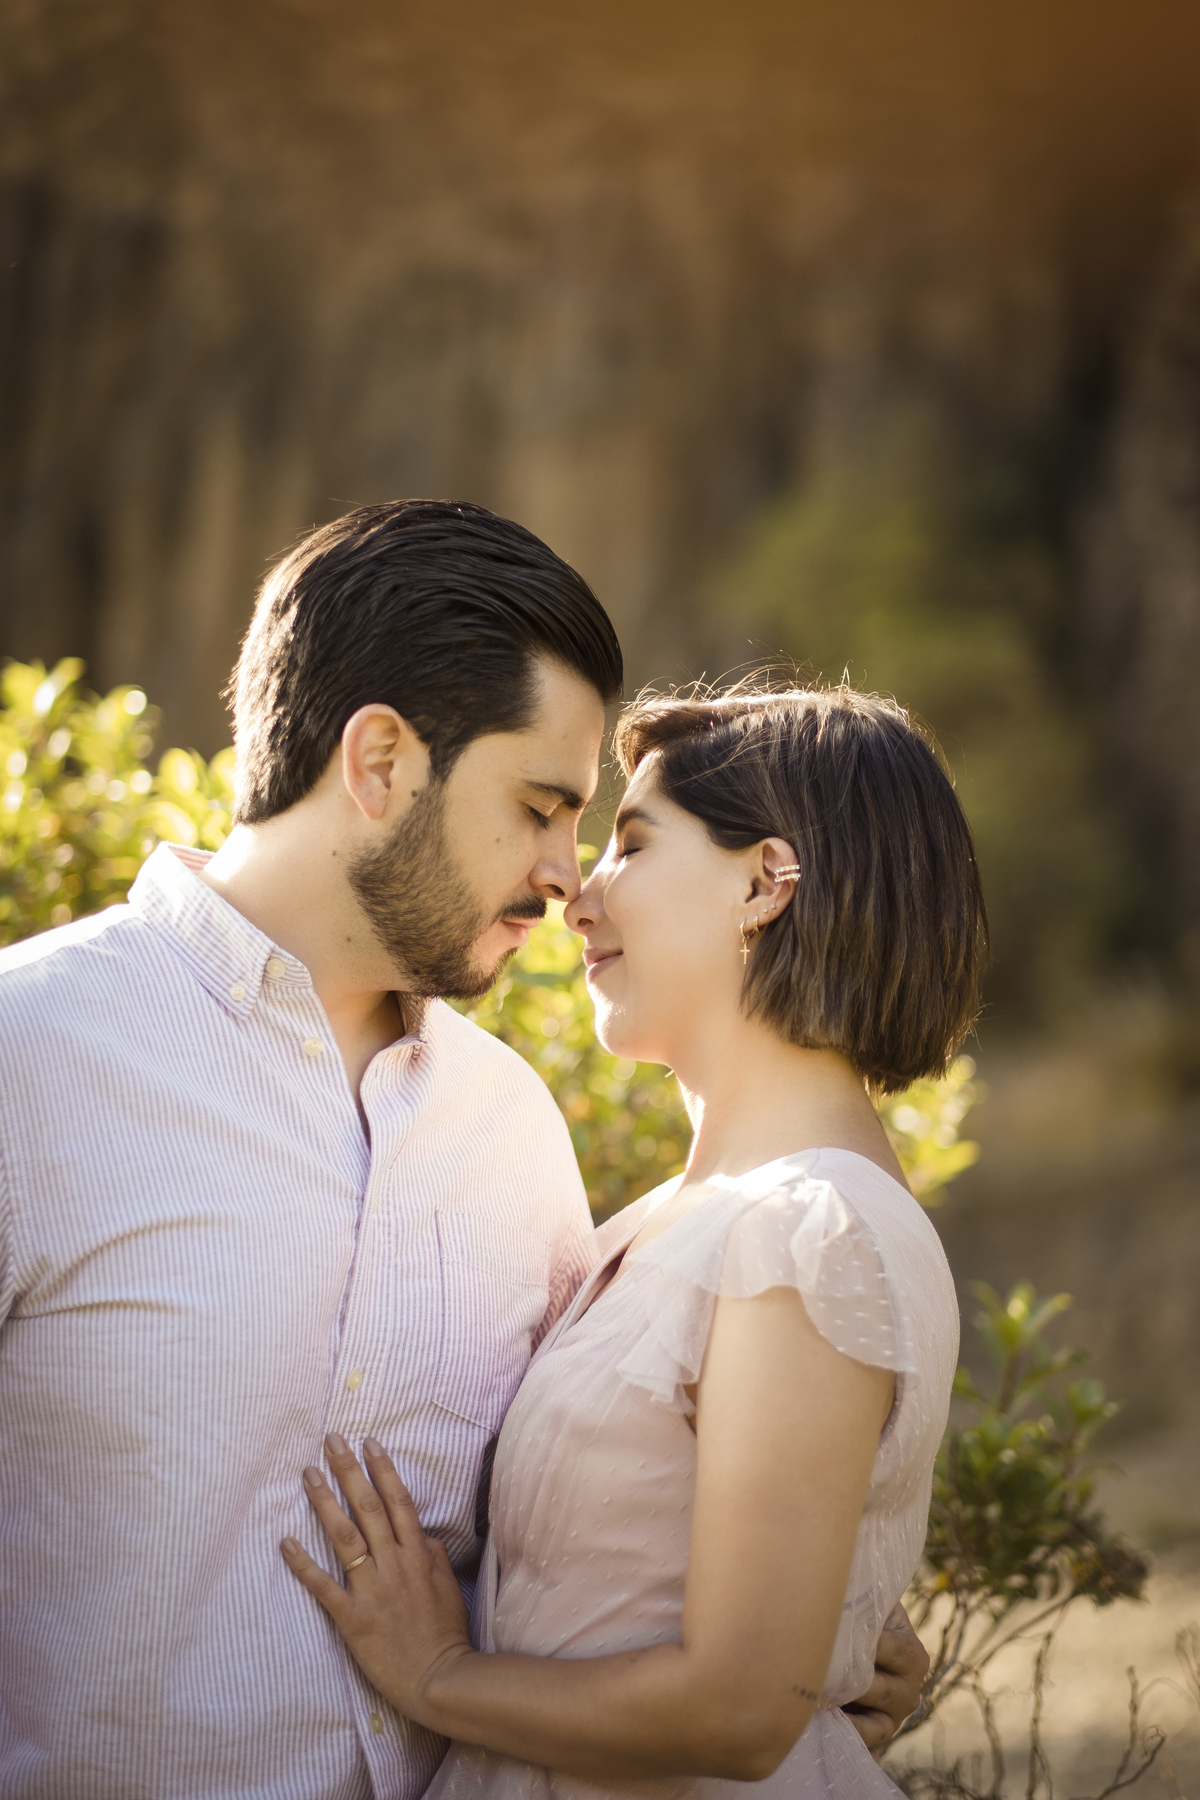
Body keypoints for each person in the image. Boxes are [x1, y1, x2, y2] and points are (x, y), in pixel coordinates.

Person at [0, 503, 920, 1800]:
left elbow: (582, 1510)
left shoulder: (513, 1133)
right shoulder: (26, 1060)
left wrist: (806, 1618)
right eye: (542, 807)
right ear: (379, 761)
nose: (567, 878)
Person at [281, 682, 987, 1800]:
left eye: (633, 845)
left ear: (766, 882)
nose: (580, 895)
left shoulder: (809, 1235)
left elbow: (741, 1712)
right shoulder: (672, 1225)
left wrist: (438, 1675)